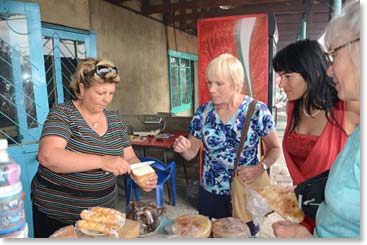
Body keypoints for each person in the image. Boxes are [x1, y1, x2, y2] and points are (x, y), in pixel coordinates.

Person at [31, 58, 158, 238]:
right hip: (57, 216)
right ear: (82, 88)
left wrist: (141, 174)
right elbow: (48, 156)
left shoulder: (115, 121)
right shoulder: (63, 113)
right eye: (100, 93)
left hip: (102, 217)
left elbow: (129, 158)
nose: (107, 99)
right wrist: (102, 161)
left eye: (111, 93)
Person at [272, 0, 360, 238]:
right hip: (301, 209)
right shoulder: (292, 109)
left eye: (288, 76)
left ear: (313, 72)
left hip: (329, 222)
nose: (281, 84)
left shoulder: (346, 110)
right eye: (279, 76)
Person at [173, 53, 281, 236]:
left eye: (219, 84)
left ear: (235, 83)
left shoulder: (256, 111)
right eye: (209, 83)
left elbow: (275, 149)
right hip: (210, 191)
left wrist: (260, 167)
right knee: (211, 234)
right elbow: (191, 152)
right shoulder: (203, 112)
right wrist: (183, 148)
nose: (212, 89)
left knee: (244, 235)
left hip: (244, 190)